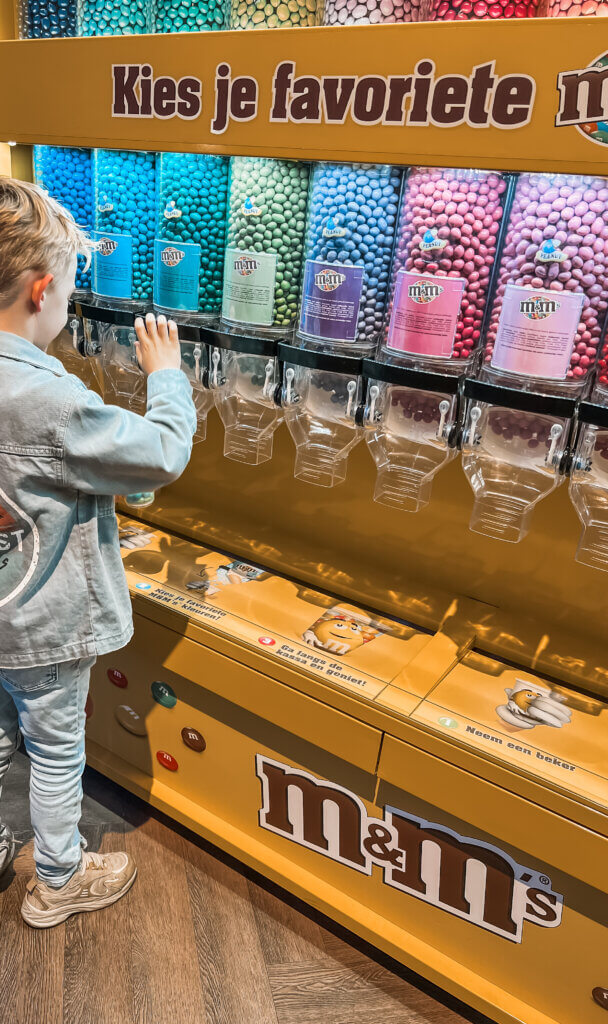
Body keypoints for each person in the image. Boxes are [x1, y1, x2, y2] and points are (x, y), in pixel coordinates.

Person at [0, 177, 196, 928]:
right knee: (54, 751)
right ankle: (59, 878)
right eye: (71, 295)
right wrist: (167, 378)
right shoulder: (47, 401)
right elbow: (160, 455)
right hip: (44, 627)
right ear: (42, 290)